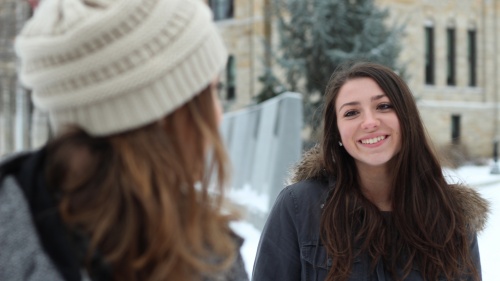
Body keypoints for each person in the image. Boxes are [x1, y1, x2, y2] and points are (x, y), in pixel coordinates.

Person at [0, 0, 249, 280]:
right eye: (212, 91)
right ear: (162, 115)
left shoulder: (213, 251)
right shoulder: (210, 257)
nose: (218, 117)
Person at [252, 62, 489, 281]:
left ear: (407, 119)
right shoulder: (299, 206)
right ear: (337, 133)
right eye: (351, 113)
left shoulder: (451, 216)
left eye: (384, 106)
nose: (369, 122)